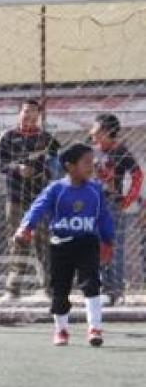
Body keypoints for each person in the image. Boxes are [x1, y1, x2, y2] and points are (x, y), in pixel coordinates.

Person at [14, 143, 114, 347]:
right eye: (86, 162)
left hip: (87, 243)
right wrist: (26, 227)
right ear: (70, 166)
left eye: (92, 162)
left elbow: (104, 216)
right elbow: (37, 208)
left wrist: (107, 240)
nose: (91, 166)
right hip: (60, 245)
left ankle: (94, 328)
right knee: (60, 289)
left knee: (92, 284)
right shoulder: (56, 189)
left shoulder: (95, 190)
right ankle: (61, 330)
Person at [0, 99, 61, 302]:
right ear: (19, 113)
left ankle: (48, 289)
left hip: (41, 200)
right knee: (18, 242)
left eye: (33, 113)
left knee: (44, 244)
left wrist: (45, 172)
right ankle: (13, 291)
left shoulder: (47, 139)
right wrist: (17, 168)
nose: (29, 116)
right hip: (15, 199)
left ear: (38, 116)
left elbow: (61, 163)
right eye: (25, 112)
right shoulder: (7, 136)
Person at [89, 113, 143, 306]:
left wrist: (128, 200)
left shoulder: (121, 151)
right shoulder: (90, 151)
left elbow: (137, 175)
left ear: (105, 131)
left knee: (114, 247)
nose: (91, 132)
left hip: (112, 204)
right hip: (91, 205)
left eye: (95, 128)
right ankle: (102, 289)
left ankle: (116, 291)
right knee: (94, 247)